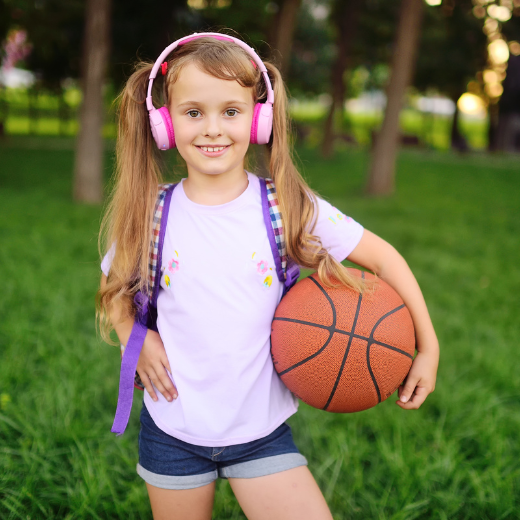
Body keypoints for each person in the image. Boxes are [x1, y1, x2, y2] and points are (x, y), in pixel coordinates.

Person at [97, 32, 439, 520]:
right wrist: (135, 337)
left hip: (261, 434)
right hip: (172, 430)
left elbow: (387, 260)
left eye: (231, 111)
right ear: (164, 122)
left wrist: (428, 346)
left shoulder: (288, 207)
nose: (213, 128)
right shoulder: (151, 214)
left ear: (258, 120)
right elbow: (114, 289)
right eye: (193, 112)